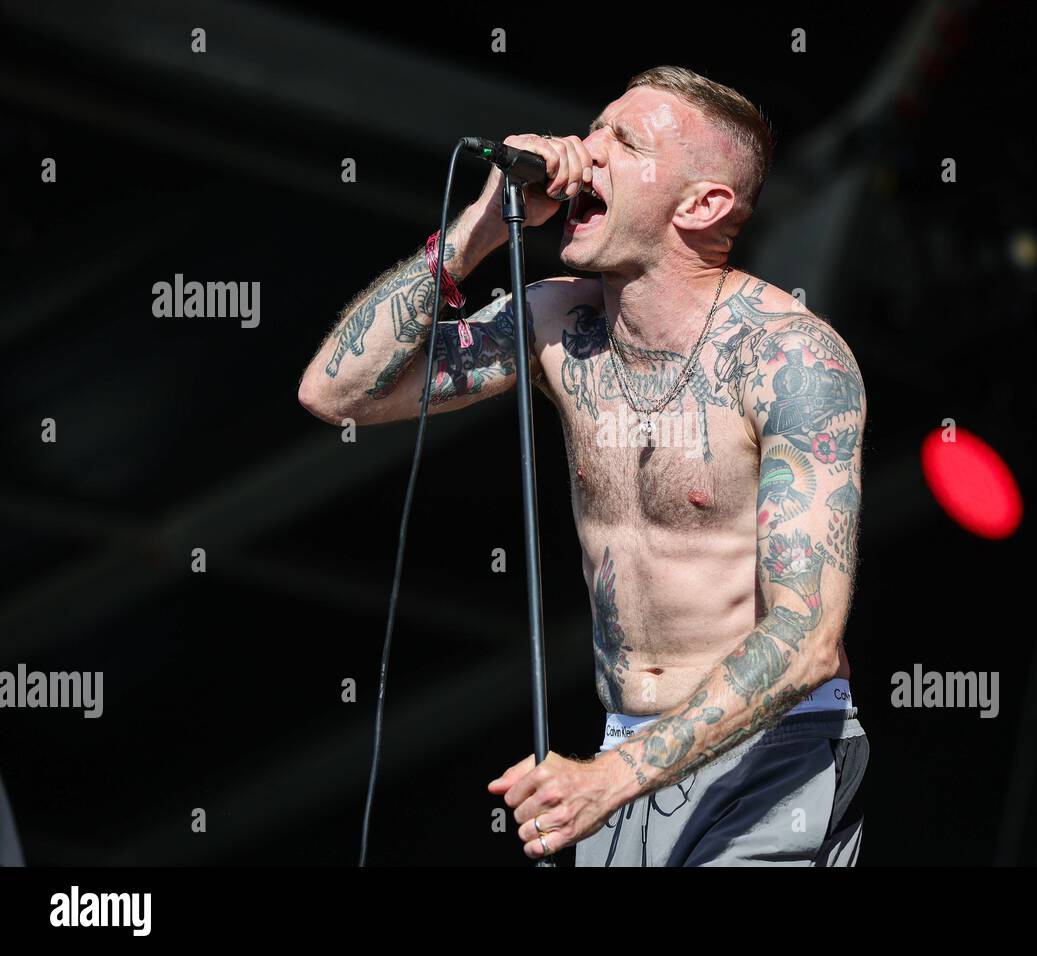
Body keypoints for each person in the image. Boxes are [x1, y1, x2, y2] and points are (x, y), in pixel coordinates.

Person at [298, 65, 868, 865]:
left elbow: (806, 635)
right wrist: (481, 230)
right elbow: (338, 390)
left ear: (700, 205)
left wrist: (611, 779)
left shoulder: (789, 358)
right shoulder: (558, 323)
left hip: (772, 752)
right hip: (623, 750)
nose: (582, 153)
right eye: (593, 129)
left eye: (623, 142)